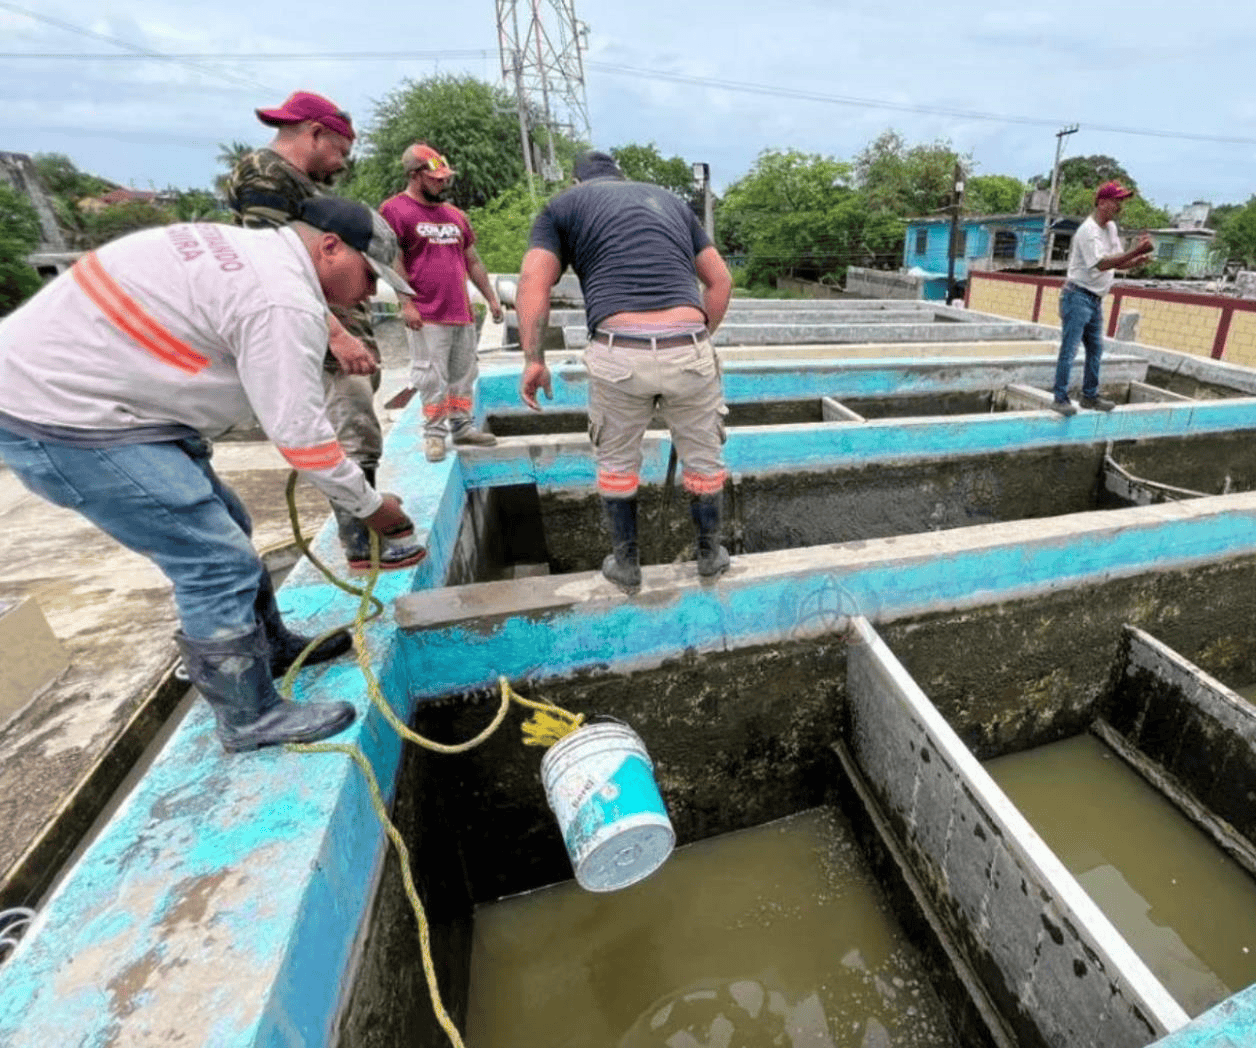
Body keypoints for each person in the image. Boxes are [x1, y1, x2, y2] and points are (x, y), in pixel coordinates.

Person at [0, 197, 419, 754]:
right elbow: (302, 438)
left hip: (108, 404)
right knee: (215, 560)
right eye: (370, 275)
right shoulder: (282, 300)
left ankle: (269, 648)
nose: (370, 292)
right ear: (330, 246)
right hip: (66, 415)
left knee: (230, 522)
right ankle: (248, 716)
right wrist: (371, 507)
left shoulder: (258, 259)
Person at [517, 150, 734, 590]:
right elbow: (720, 280)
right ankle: (710, 556)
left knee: (617, 464)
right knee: (704, 460)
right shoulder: (670, 201)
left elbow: (533, 283)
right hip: (688, 346)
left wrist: (534, 359)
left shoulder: (562, 206)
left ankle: (626, 564)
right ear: (621, 176)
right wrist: (694, 342)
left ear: (577, 182)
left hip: (619, 352)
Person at [225, 90, 420, 569]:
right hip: (320, 328)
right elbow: (271, 269)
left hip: (330, 321)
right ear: (315, 133)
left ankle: (366, 506)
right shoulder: (266, 176)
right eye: (341, 150)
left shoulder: (297, 181)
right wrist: (336, 334)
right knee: (352, 426)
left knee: (359, 422)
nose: (342, 163)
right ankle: (363, 539)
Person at [379, 143, 503, 463]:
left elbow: (473, 261)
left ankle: (462, 427)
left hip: (460, 311)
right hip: (426, 312)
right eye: (436, 179)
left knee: (463, 374)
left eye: (445, 177)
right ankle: (434, 434)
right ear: (415, 175)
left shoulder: (455, 215)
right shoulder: (395, 211)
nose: (443, 183)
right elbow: (393, 260)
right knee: (431, 376)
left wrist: (491, 298)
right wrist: (406, 303)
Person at [1051, 180, 1154, 416]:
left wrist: (1135, 261)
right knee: (1070, 349)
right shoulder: (1088, 231)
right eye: (1116, 202)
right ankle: (1060, 398)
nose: (1119, 207)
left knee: (1096, 349)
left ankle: (1090, 396)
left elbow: (1116, 261)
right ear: (1101, 203)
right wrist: (1137, 250)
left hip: (1095, 299)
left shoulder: (1111, 228)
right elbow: (1101, 264)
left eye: (1121, 202)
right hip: (1077, 296)